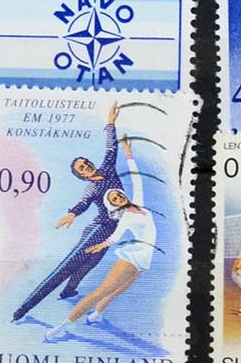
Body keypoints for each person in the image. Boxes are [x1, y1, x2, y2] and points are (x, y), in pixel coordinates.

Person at [13, 101, 124, 322]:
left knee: (89, 264)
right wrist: (72, 214)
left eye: (86, 163)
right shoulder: (92, 188)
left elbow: (112, 148)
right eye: (82, 168)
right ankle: (22, 310)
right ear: (81, 176)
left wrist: (110, 123)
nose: (87, 166)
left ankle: (68, 292)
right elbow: (83, 203)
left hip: (111, 232)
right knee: (64, 269)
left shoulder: (108, 169)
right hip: (98, 231)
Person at [43, 136, 156, 341]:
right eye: (115, 199)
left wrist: (127, 151)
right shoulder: (125, 218)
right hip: (133, 258)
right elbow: (113, 238)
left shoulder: (138, 201)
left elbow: (136, 176)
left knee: (117, 291)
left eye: (118, 194)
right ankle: (58, 329)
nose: (119, 197)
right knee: (102, 291)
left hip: (145, 258)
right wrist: (96, 243)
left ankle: (96, 315)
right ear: (115, 206)